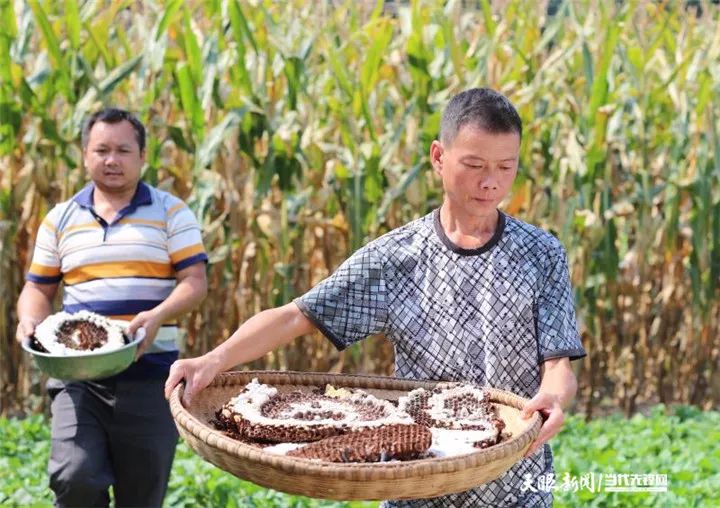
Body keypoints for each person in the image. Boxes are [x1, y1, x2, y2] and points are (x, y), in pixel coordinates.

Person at [164, 88, 586, 506]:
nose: (490, 182)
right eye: (473, 164)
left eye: (506, 167)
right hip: (416, 485)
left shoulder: (540, 253)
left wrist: (553, 397)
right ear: (439, 157)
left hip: (517, 483)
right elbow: (298, 316)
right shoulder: (396, 258)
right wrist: (213, 360)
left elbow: (558, 365)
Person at [16, 108, 208, 507]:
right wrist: (29, 319)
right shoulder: (61, 219)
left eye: (123, 150)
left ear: (142, 157)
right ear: (85, 154)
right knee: (74, 476)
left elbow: (195, 283)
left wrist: (157, 316)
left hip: (152, 376)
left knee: (142, 496)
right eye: (101, 149)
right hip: (78, 376)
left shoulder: (172, 212)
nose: (112, 159)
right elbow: (37, 287)